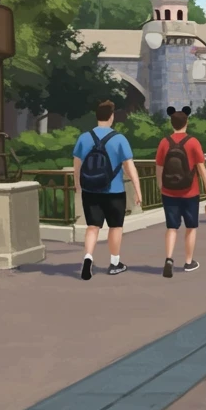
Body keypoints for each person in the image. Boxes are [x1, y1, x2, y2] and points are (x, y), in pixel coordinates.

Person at [73, 100, 143, 279]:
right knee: (115, 227)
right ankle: (114, 263)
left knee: (92, 227)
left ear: (97, 116)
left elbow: (77, 167)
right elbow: (129, 167)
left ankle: (88, 258)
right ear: (111, 117)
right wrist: (138, 189)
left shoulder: (84, 137)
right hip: (115, 191)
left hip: (90, 191)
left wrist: (78, 186)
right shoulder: (119, 139)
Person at [155, 106, 206, 278]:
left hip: (169, 192)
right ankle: (188, 262)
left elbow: (159, 168)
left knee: (171, 227)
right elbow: (202, 170)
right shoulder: (193, 142)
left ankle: (168, 258)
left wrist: (161, 187)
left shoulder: (164, 142)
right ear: (187, 122)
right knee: (191, 227)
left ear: (171, 122)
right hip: (190, 192)